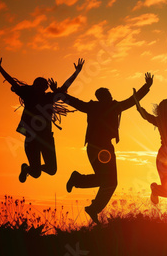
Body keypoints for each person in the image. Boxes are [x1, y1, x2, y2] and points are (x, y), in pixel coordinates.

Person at [62, 73, 153, 223]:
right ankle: (82, 188)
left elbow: (74, 102)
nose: (110, 96)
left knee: (108, 181)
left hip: (99, 148)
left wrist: (59, 94)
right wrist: (147, 86)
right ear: (104, 96)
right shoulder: (112, 106)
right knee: (110, 182)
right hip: (101, 148)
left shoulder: (95, 106)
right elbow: (131, 101)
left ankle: (83, 190)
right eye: (108, 94)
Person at [0, 54, 84, 183]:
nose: (40, 88)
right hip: (32, 138)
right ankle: (28, 169)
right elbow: (11, 81)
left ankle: (29, 169)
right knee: (36, 173)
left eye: (43, 86)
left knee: (51, 170)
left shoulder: (49, 97)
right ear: (34, 86)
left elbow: (64, 87)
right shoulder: (28, 94)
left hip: (47, 138)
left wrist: (76, 72)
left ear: (46, 88)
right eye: (38, 85)